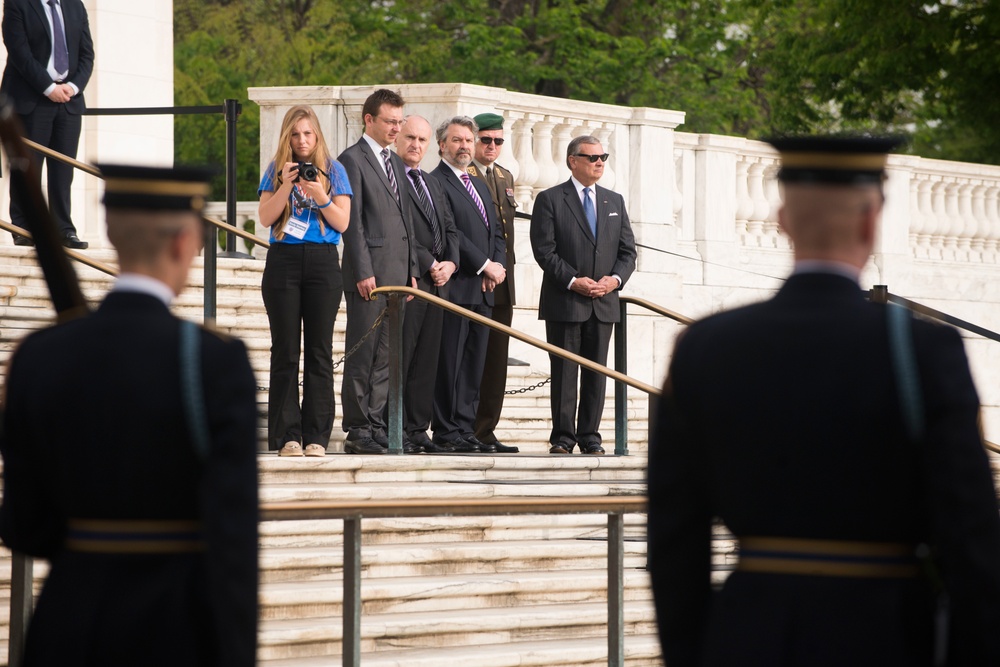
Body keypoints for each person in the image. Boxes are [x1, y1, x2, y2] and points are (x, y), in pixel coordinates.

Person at [647, 136, 1000, 667]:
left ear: (784, 219)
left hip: (750, 633)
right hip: (886, 635)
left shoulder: (705, 346)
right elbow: (970, 532)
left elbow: (674, 539)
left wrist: (693, 652)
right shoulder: (925, 348)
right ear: (870, 222)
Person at [0, 163, 259, 665]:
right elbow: (233, 541)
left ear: (113, 235)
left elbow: (24, 525)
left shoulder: (39, 355)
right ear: (185, 243)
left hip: (68, 625)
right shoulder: (214, 361)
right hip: (176, 629)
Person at [529, 136, 636, 455]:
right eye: (591, 157)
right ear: (572, 161)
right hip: (566, 301)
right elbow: (544, 251)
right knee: (564, 371)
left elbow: (628, 252)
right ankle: (563, 436)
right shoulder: (549, 199)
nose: (599, 162)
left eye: (603, 156)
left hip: (604, 302)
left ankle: (590, 435)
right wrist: (573, 281)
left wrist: (614, 281)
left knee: (597, 371)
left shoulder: (614, 201)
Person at [258, 104, 351, 458]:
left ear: (317, 135)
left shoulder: (334, 170)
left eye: (308, 133)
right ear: (287, 136)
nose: (301, 140)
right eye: (295, 134)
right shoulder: (276, 170)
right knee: (285, 351)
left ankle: (316, 436)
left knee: (319, 351)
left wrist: (319, 193)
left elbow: (342, 223)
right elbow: (266, 216)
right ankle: (287, 437)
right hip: (283, 261)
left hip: (323, 263)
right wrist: (285, 184)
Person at [337, 89, 416, 455]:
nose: (396, 129)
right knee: (363, 353)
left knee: (387, 356)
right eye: (390, 121)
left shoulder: (397, 162)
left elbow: (406, 220)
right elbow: (351, 224)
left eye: (400, 122)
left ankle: (378, 423)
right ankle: (357, 428)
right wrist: (362, 270)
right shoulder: (351, 160)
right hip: (368, 275)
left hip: (399, 274)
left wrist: (413, 269)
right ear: (369, 119)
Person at [430, 116, 507, 453]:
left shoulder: (477, 183)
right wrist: (485, 265)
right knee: (450, 360)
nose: (463, 146)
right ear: (442, 145)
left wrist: (498, 265)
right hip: (457, 286)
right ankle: (446, 431)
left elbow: (497, 230)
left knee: (474, 362)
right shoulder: (436, 181)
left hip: (484, 289)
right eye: (456, 140)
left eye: (467, 140)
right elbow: (453, 234)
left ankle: (465, 428)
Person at [1, 0, 94, 249]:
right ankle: (23, 227)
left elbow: (87, 54)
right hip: (31, 98)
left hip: (69, 101)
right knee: (27, 166)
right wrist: (48, 87)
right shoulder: (17, 4)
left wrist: (72, 87)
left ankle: (64, 229)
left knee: (64, 169)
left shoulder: (76, 5)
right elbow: (19, 52)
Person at [394, 115, 461, 454]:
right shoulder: (392, 178)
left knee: (428, 362)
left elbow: (449, 228)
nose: (415, 145)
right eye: (409, 138)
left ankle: (419, 430)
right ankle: (398, 429)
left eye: (421, 140)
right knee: (404, 358)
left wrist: (451, 263)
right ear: (396, 139)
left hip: (439, 285)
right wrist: (429, 263)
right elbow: (401, 230)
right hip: (412, 280)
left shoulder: (432, 181)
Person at [468, 112, 519, 454]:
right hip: (474, 279)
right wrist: (485, 266)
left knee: (497, 359)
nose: (492, 146)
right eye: (485, 140)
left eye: (498, 141)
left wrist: (500, 269)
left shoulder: (504, 175)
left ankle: (486, 430)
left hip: (503, 279)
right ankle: (464, 427)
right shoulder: (465, 174)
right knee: (470, 358)